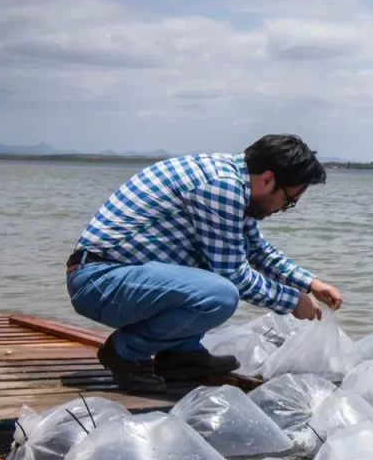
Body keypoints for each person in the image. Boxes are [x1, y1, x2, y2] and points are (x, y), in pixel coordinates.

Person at [65, 134, 344, 393]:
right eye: (287, 201)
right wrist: (292, 301)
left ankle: (181, 356)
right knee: (221, 293)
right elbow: (235, 276)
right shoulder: (221, 187)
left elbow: (257, 250)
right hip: (99, 280)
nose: (281, 210)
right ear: (268, 180)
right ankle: (124, 352)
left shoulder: (236, 183)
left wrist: (310, 283)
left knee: (213, 267)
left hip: (121, 278)